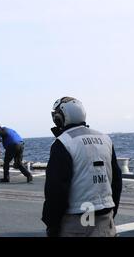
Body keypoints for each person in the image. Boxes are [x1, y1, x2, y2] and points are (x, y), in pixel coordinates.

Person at [42, 97, 122, 237]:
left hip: (77, 220)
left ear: (60, 118)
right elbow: (116, 181)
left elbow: (56, 190)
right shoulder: (105, 139)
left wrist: (52, 224)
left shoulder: (63, 142)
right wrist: (111, 211)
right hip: (105, 216)